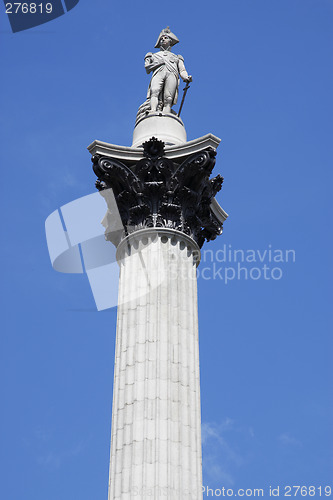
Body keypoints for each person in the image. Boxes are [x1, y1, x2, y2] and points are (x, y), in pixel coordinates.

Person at [144, 27, 192, 114]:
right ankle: (153, 110)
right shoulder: (153, 55)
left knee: (168, 97)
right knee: (154, 91)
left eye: (165, 38)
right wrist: (158, 63)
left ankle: (166, 113)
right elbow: (147, 69)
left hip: (172, 74)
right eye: (161, 39)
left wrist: (186, 77)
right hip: (158, 73)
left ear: (170, 40)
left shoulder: (177, 57)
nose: (163, 40)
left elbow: (182, 70)